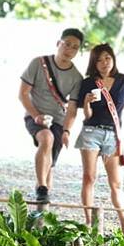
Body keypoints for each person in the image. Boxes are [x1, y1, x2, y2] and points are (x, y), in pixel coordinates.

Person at [63, 43, 124, 234]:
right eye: (99, 60)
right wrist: (86, 103)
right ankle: (89, 224)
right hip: (91, 132)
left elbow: (123, 105)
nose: (104, 63)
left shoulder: (123, 80)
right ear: (94, 63)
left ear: (113, 59)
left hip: (112, 135)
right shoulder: (87, 83)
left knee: (116, 183)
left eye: (107, 58)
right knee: (89, 178)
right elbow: (86, 116)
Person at [19, 28, 84, 203]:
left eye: (75, 47)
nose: (69, 50)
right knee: (46, 139)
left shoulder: (77, 77)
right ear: (58, 43)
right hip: (35, 115)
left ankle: (43, 199)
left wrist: (67, 131)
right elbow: (23, 93)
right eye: (67, 44)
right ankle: (41, 187)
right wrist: (36, 115)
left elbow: (72, 109)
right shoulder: (38, 63)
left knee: (50, 165)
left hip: (58, 120)